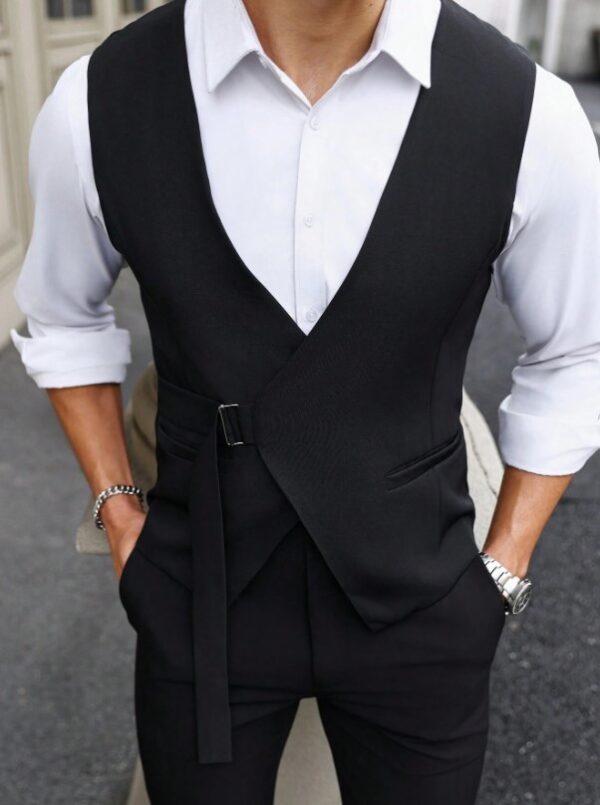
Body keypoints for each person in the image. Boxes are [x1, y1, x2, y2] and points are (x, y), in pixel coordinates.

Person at [10, 0, 600, 802]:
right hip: (199, 596)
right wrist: (119, 515)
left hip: (423, 600)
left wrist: (503, 570)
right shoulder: (98, 99)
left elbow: (576, 352)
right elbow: (62, 315)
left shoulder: (527, 111)